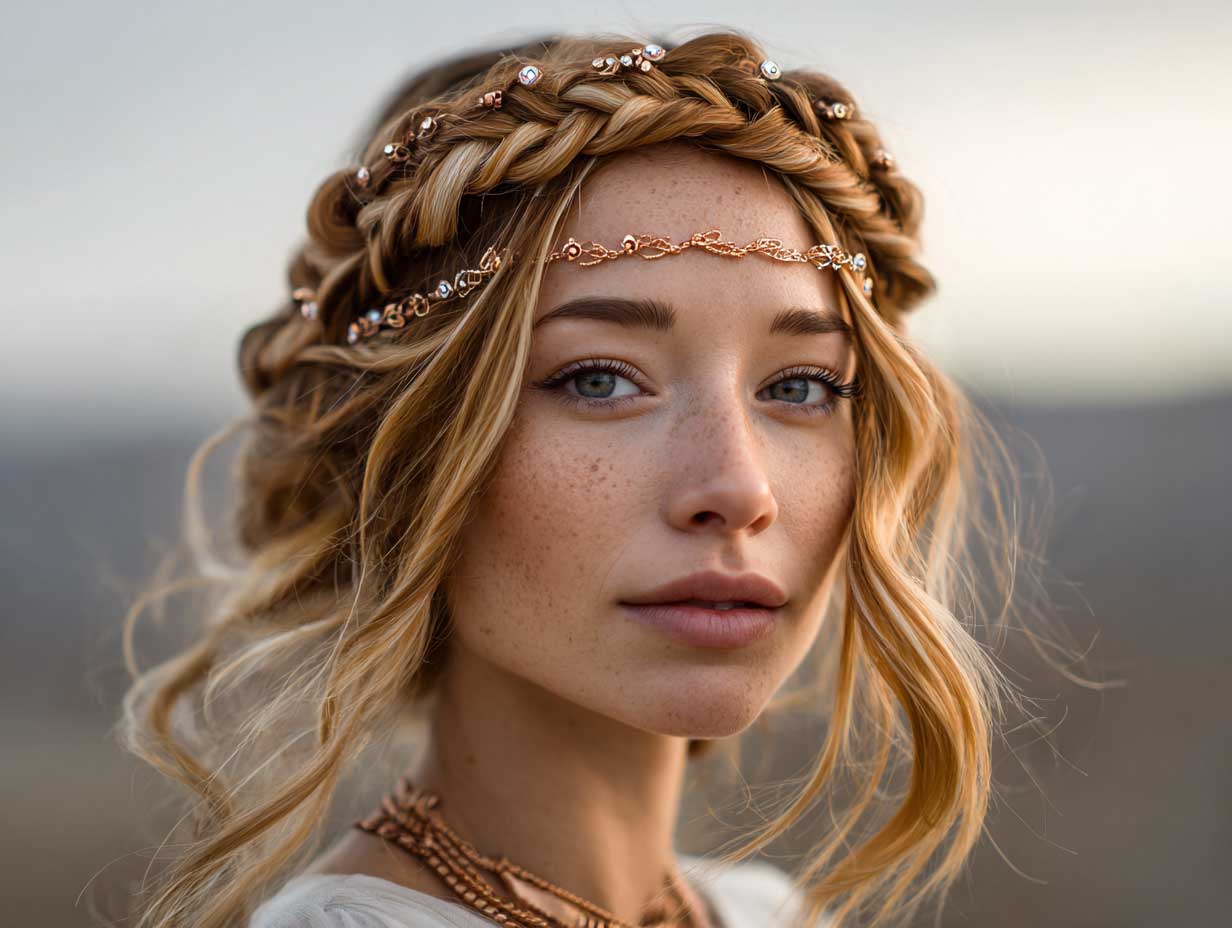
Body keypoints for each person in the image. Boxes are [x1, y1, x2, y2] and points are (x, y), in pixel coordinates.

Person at [115, 28, 1048, 928]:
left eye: (800, 385)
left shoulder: (770, 914)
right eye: (598, 379)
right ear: (405, 453)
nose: (737, 486)